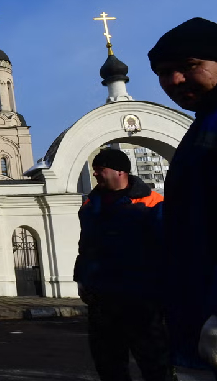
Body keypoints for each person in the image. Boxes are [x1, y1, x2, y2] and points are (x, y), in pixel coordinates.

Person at [149, 17, 217, 374]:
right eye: (164, 72)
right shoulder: (201, 125)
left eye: (190, 66)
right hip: (195, 318)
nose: (175, 80)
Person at [74, 147, 174, 381]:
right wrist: (83, 279)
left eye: (100, 170)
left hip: (140, 298)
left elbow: (165, 248)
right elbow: (85, 246)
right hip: (102, 299)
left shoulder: (151, 203)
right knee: (108, 365)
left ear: (120, 171)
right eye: (95, 170)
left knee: (154, 364)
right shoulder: (90, 206)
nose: (96, 174)